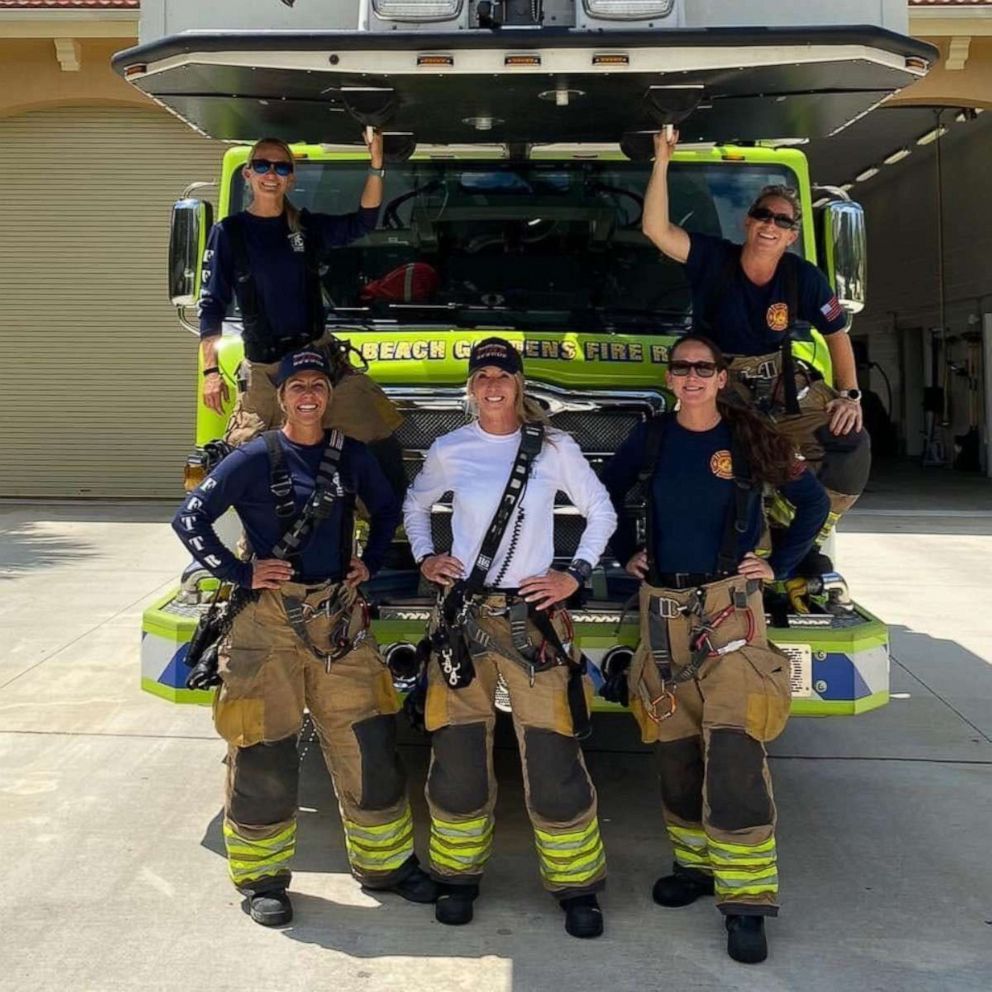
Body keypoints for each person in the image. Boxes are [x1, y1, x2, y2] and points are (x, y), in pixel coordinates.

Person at [172, 348, 435, 927]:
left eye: (319, 384)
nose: (309, 395)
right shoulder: (250, 458)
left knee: (368, 745)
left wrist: (367, 559)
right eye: (298, 387)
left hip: (337, 622)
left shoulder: (353, 457)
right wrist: (239, 572)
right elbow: (189, 518)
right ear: (284, 397)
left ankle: (387, 866)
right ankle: (263, 878)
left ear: (329, 395)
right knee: (263, 751)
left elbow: (388, 508)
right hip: (264, 626)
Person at [600, 335, 829, 964]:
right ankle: (694, 867)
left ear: (722, 377)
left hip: (731, 614)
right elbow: (603, 499)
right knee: (675, 752)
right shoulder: (649, 440)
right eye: (683, 369)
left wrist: (778, 566)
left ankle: (747, 899)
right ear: (671, 379)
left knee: (732, 749)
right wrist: (626, 552)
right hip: (661, 616)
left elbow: (810, 502)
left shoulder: (752, 439)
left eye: (705, 368)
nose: (694, 377)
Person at [402, 337, 617, 939]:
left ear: (519, 385)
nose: (492, 385)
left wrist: (571, 574)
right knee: (458, 755)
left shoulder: (553, 447)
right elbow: (415, 506)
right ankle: (457, 878)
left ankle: (577, 888)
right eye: (482, 376)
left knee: (553, 756)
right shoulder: (451, 449)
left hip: (534, 625)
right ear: (470, 388)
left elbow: (601, 511)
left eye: (503, 375)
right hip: (464, 623)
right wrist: (426, 556)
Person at [642, 129, 870, 572]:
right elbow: (656, 229)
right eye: (764, 215)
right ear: (748, 222)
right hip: (719, 384)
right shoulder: (712, 259)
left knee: (850, 443)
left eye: (783, 221)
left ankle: (804, 532)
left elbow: (837, 333)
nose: (771, 225)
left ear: (792, 235)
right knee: (736, 463)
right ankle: (751, 555)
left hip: (782, 385)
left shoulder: (803, 277)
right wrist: (662, 162)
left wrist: (851, 395)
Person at [198, 132, 401, 447]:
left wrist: (376, 165)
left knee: (378, 446)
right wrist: (210, 372)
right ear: (247, 173)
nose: (271, 174)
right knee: (249, 462)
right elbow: (211, 306)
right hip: (266, 371)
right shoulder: (228, 233)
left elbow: (363, 222)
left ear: (290, 180)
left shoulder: (305, 228)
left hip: (319, 362)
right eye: (262, 165)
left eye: (281, 168)